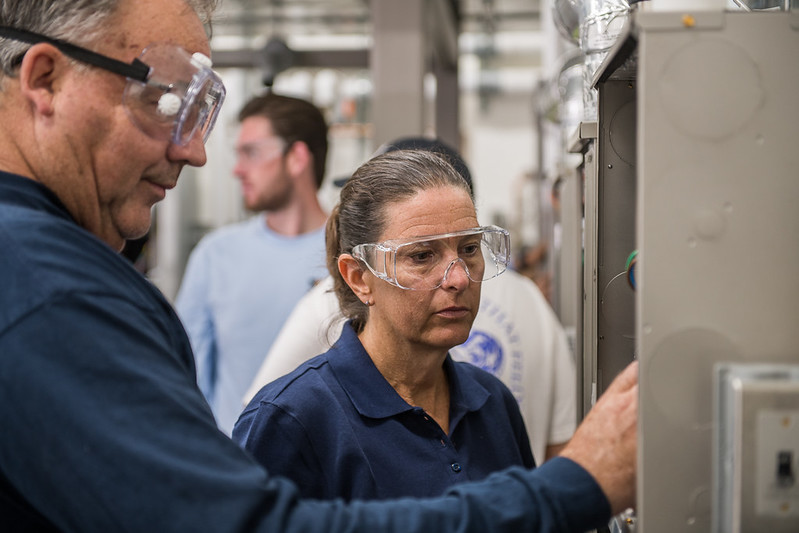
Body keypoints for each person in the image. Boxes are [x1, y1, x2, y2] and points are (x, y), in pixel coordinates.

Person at [0, 1, 637, 531]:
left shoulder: (488, 401)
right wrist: (572, 487)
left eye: (469, 249)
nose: (194, 151)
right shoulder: (45, 288)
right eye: (164, 102)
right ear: (46, 79)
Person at [244, 137, 576, 464]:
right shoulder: (292, 422)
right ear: (359, 278)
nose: (459, 278)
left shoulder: (492, 403)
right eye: (421, 256)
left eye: (469, 249)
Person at [175, 92, 329, 434]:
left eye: (251, 153)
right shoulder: (215, 255)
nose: (238, 169)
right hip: (236, 468)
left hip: (333, 473)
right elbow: (185, 380)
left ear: (297, 158)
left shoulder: (351, 256)